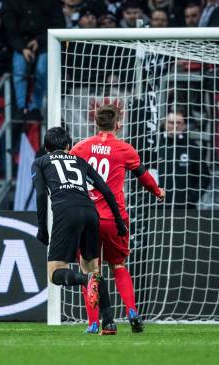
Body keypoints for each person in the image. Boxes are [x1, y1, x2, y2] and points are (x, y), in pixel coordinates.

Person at [70, 104, 164, 333]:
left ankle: (93, 323)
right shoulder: (124, 149)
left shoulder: (80, 147)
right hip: (114, 218)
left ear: (96, 122)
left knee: (90, 271)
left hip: (87, 217)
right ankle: (132, 311)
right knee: (119, 265)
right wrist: (158, 192)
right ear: (118, 124)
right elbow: (144, 176)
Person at [32, 126, 127, 334]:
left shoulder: (40, 163)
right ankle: (109, 323)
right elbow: (106, 190)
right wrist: (119, 222)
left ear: (46, 147)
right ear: (68, 146)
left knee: (55, 272)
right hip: (90, 211)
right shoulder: (80, 162)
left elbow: (40, 196)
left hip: (66, 212)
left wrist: (42, 228)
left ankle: (85, 281)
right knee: (94, 268)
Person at [157, 110, 208, 209]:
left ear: (184, 126)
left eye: (178, 123)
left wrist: (191, 198)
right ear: (165, 124)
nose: (175, 126)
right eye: (171, 122)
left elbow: (204, 177)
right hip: (156, 207)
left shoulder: (192, 147)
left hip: (184, 209)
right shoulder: (155, 146)